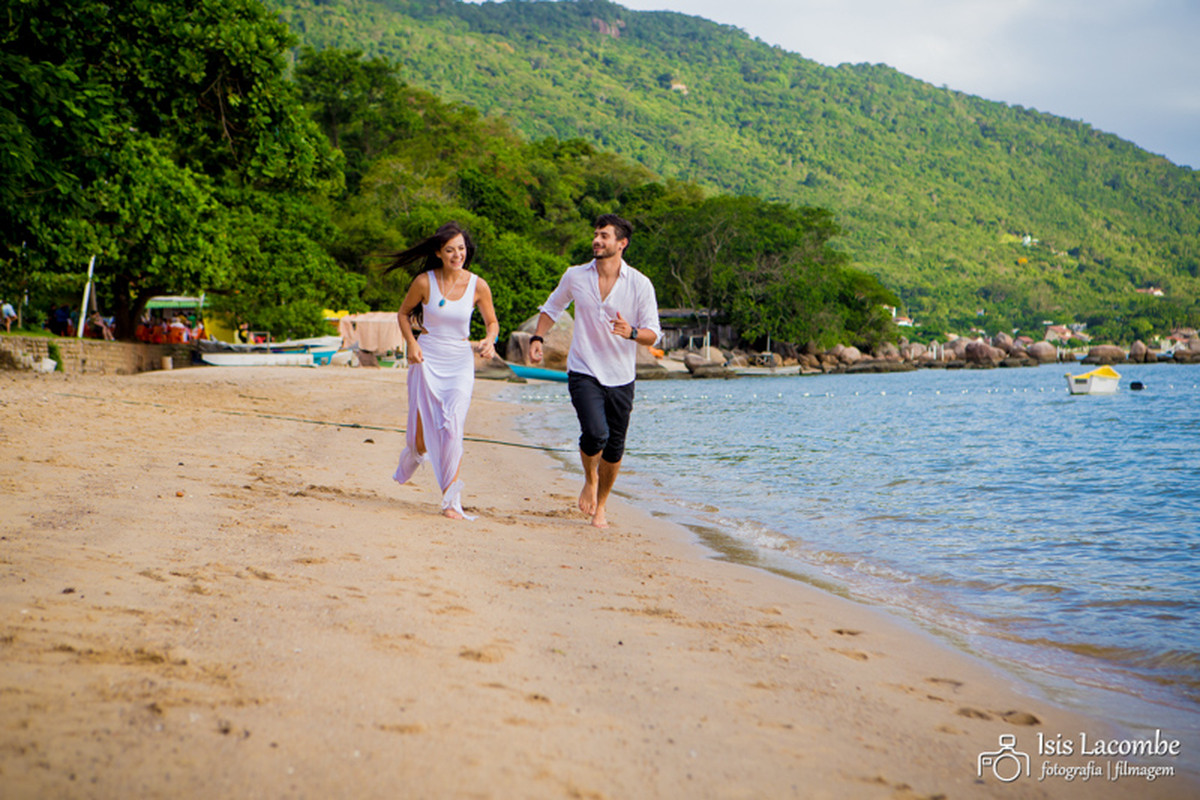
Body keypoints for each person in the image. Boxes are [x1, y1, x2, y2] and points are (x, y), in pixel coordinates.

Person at [530, 213, 661, 528]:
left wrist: (631, 332)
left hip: (621, 376)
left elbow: (653, 334)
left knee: (614, 447)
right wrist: (538, 337)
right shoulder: (576, 276)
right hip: (584, 368)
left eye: (605, 236)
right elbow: (552, 308)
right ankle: (589, 477)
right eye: (596, 234)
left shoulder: (640, 284)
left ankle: (601, 506)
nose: (597, 240)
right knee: (595, 433)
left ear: (622, 244)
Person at [387, 222, 499, 520]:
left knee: (452, 427)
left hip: (460, 361)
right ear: (438, 253)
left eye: (461, 249)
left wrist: (490, 340)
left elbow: (492, 323)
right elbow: (403, 313)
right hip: (427, 359)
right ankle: (413, 453)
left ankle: (451, 499)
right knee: (422, 440)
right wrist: (411, 343)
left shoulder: (478, 285)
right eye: (450, 250)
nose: (457, 254)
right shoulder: (425, 282)